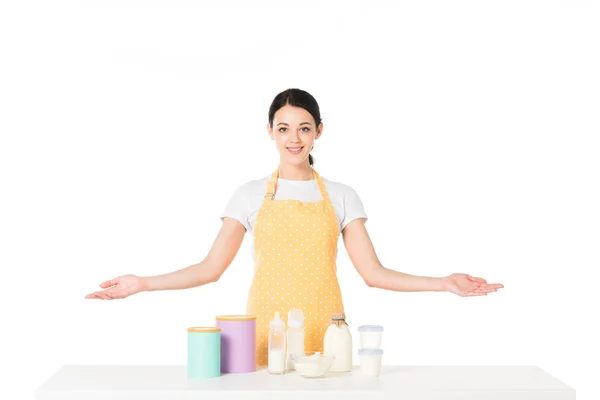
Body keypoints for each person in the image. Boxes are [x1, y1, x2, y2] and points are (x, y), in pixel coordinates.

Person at [85, 88, 504, 366]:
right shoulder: (249, 194)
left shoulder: (341, 195)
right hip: (265, 334)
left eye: (304, 128)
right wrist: (143, 282)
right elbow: (209, 268)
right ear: (270, 132)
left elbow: (374, 274)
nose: (294, 138)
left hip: (328, 333)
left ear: (318, 131)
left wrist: (443, 283)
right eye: (283, 128)